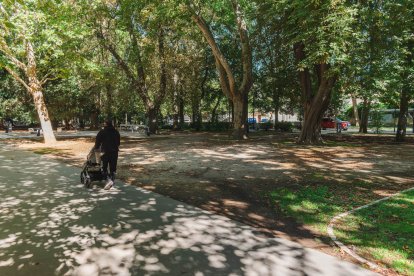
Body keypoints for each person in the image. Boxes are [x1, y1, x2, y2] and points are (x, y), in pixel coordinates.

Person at [94, 120, 121, 189]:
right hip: (114, 152)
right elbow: (118, 143)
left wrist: (96, 148)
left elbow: (97, 142)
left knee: (104, 167)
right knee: (113, 167)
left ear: (105, 124)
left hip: (105, 152)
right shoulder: (116, 132)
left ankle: (108, 180)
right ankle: (112, 179)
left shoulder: (102, 132)